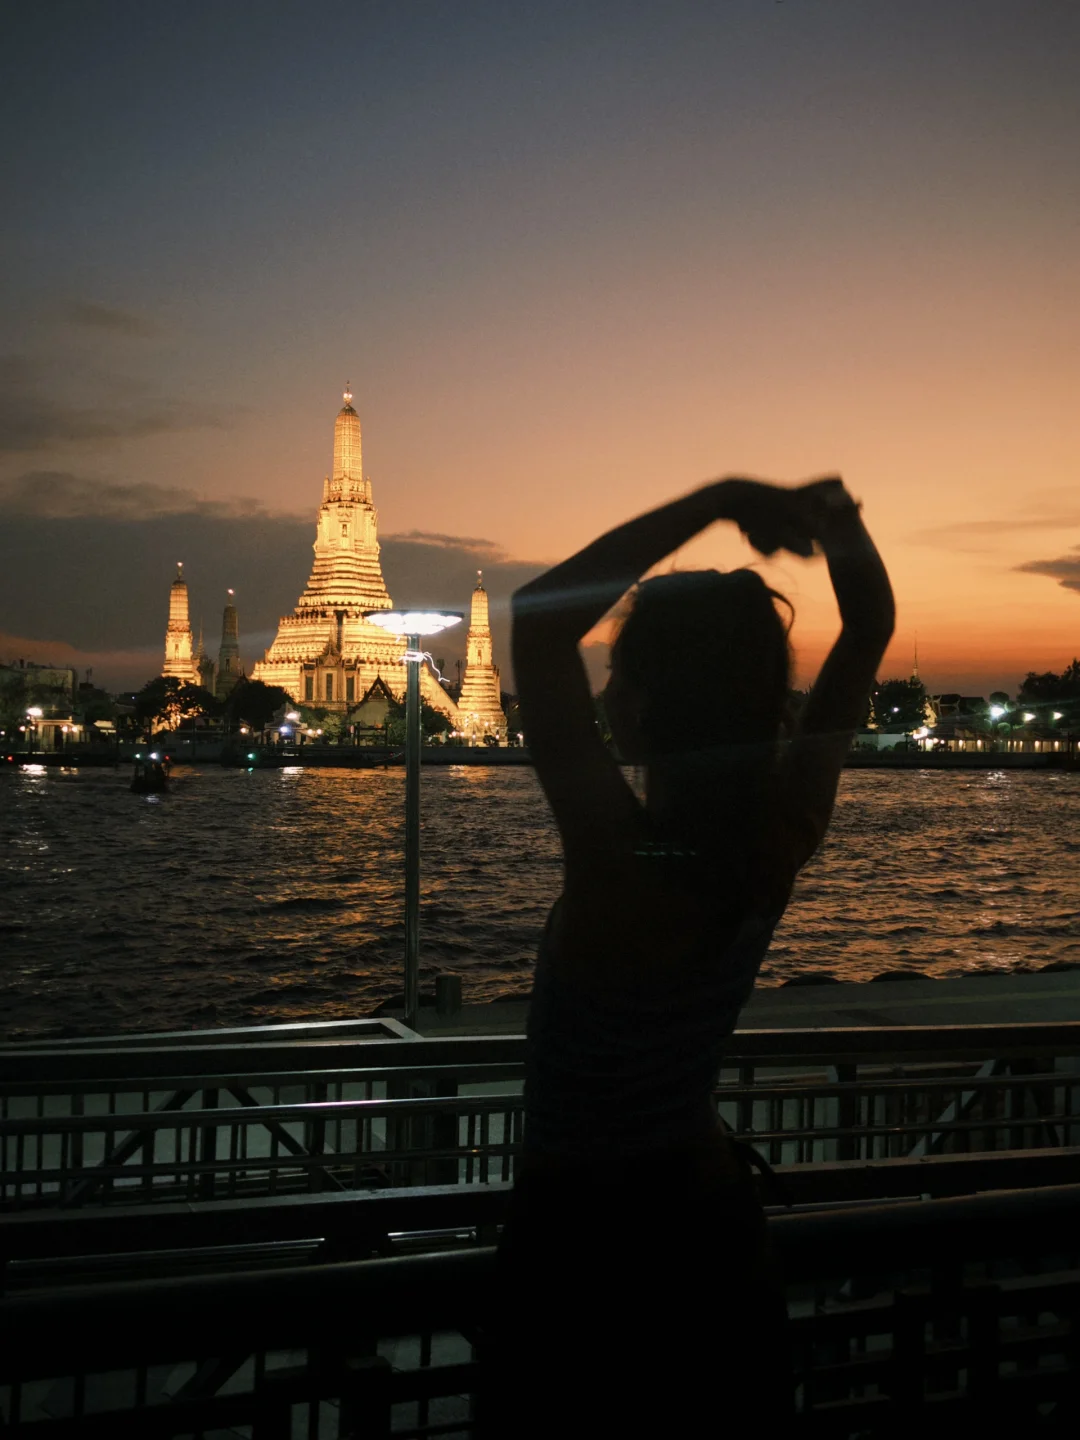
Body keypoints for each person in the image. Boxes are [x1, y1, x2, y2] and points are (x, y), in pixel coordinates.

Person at [477, 475, 895, 1436]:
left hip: (583, 1246)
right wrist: (838, 525)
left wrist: (727, 497)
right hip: (709, 1231)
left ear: (655, 704)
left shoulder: (623, 860)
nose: (605, 695)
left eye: (620, 675)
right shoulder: (777, 837)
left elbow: (537, 627)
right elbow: (868, 624)